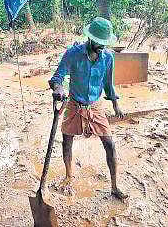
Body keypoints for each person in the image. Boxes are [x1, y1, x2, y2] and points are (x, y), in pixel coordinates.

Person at [48, 17, 128, 200]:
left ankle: (115, 186)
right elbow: (57, 77)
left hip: (96, 106)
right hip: (74, 104)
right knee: (67, 141)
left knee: (109, 144)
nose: (101, 46)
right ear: (90, 38)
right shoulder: (73, 54)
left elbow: (108, 83)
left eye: (104, 43)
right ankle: (69, 176)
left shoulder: (108, 57)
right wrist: (59, 89)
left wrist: (115, 104)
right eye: (98, 43)